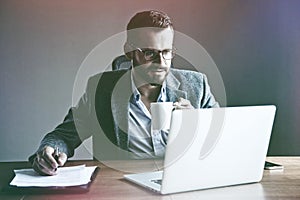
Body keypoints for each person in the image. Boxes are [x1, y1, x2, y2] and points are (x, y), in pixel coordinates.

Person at [29, 10, 219, 175]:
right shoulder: (100, 90)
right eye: (149, 53)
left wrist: (198, 122)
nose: (161, 63)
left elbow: (221, 138)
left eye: (167, 52)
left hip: (181, 179)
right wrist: (50, 150)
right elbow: (63, 135)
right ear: (129, 52)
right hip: (122, 184)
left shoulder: (196, 85)